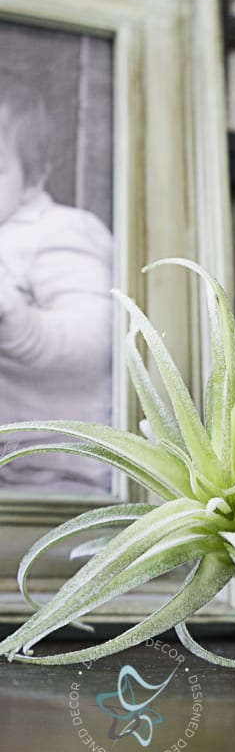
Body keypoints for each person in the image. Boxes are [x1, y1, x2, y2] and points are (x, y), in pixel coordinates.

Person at [0, 72, 113, 494]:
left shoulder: (59, 232)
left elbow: (97, 337)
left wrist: (21, 326)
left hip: (62, 460)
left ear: (34, 180)